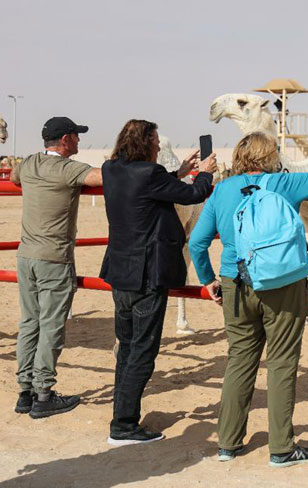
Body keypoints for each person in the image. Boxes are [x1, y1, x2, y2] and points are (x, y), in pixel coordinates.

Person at [189, 132, 308, 466]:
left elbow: (197, 243)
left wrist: (208, 280)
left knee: (239, 361)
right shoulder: (282, 184)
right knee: (282, 363)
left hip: (234, 282)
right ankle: (281, 448)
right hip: (281, 284)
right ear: (268, 157)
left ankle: (228, 444)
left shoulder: (221, 191)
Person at [99, 119, 217, 446]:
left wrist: (178, 171)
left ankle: (120, 416)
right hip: (148, 276)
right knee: (143, 350)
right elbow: (197, 193)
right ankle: (123, 425)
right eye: (153, 140)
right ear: (146, 144)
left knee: (126, 347)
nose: (156, 145)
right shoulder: (149, 175)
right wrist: (205, 171)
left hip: (120, 272)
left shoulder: (112, 169)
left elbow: (151, 185)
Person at [11, 117, 103, 419]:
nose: (79, 142)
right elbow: (103, 178)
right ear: (65, 140)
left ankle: (25, 391)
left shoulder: (29, 163)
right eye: (76, 137)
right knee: (51, 326)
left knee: (29, 323)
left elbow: (13, 177)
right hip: (54, 258)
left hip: (26, 256)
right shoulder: (68, 169)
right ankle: (43, 394)